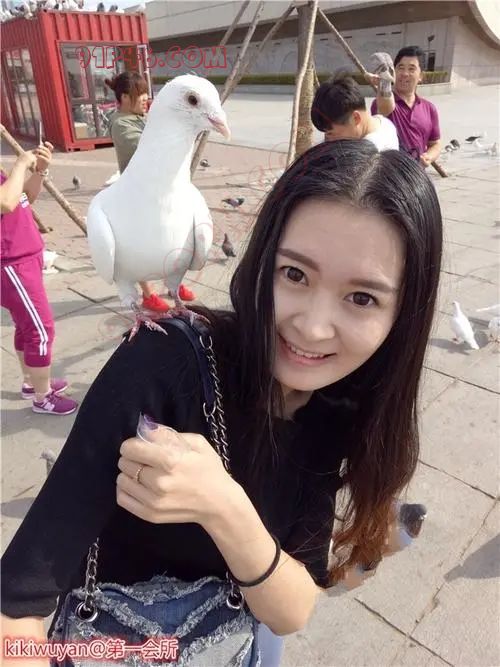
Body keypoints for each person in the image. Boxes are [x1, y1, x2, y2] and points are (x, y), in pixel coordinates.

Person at [1, 141, 443, 666]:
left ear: (403, 317)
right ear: (262, 261)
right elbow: (14, 612)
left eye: (362, 298)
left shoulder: (341, 403)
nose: (312, 327)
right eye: (294, 274)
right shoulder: (163, 365)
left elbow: (292, 610)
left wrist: (223, 506)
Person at [105, 71, 196, 313]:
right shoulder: (121, 124)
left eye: (146, 93)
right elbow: (150, 150)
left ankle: (174, 284)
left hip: (159, 192)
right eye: (140, 94)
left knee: (170, 237)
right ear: (125, 97)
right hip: (138, 196)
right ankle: (147, 294)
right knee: (140, 244)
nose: (146, 98)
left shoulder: (139, 117)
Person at [0, 145, 78, 416]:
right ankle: (43, 398)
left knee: (26, 327)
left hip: (23, 259)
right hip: (11, 264)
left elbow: (24, 198)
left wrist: (40, 171)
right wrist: (21, 164)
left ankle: (31, 382)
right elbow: (5, 202)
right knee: (41, 330)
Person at [369, 45, 442, 168]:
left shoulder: (429, 108)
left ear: (421, 76)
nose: (404, 74)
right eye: (400, 68)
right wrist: (384, 84)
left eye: (411, 69)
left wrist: (429, 156)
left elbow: (435, 143)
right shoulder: (382, 101)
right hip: (388, 173)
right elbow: (385, 108)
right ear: (394, 71)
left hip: (416, 173)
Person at [311, 73, 399, 151]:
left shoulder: (367, 152)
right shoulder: (384, 123)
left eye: (331, 133)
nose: (328, 140)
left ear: (355, 118)